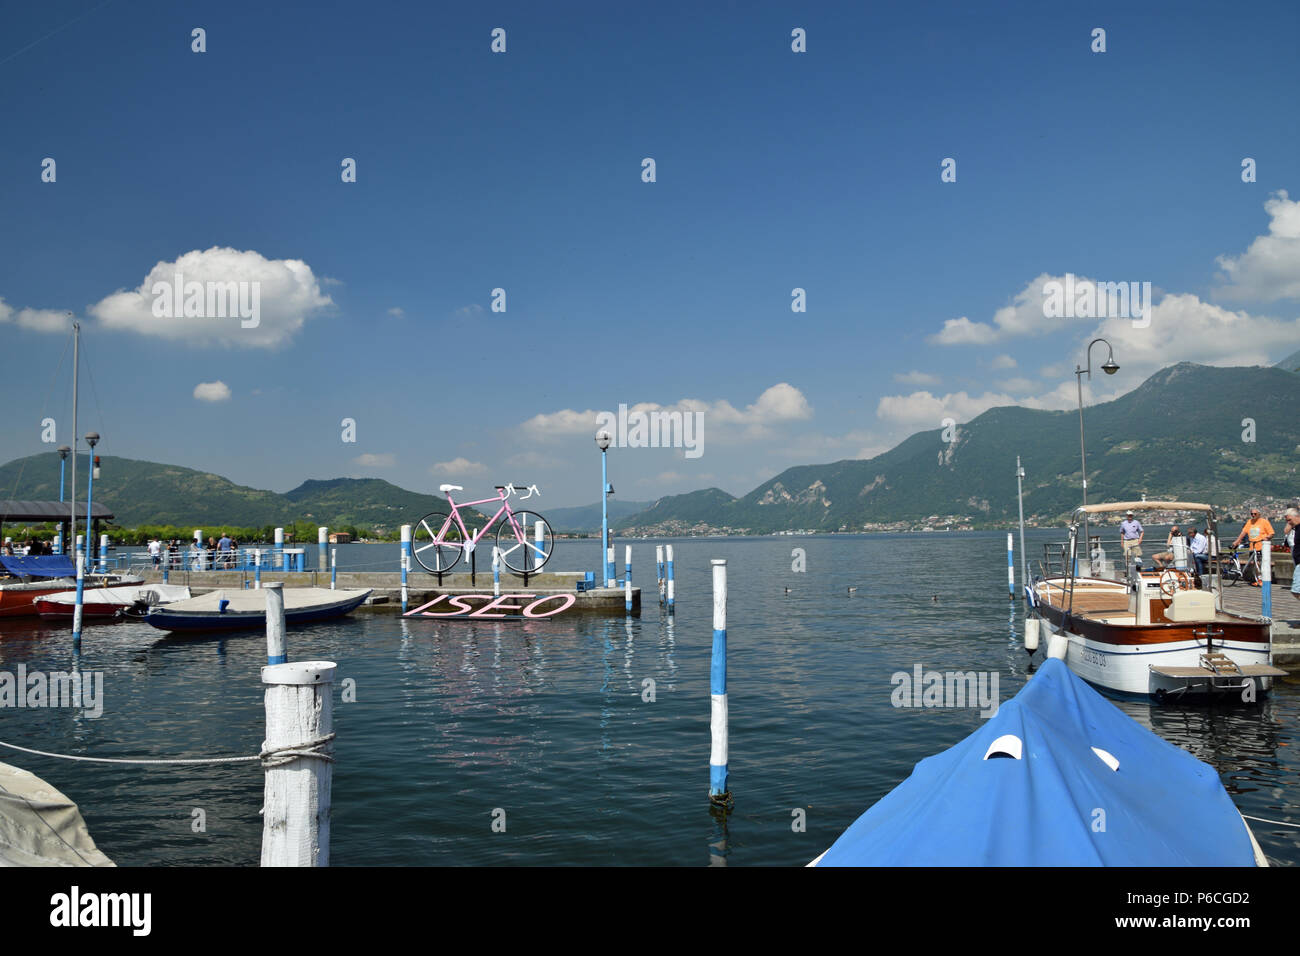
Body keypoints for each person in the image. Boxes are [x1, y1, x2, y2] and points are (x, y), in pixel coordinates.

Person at [1232, 507, 1275, 586]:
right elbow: (1243, 533)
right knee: (1254, 564)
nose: (1253, 515)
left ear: (1259, 514)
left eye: (1255, 514)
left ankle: (1264, 580)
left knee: (1262, 564)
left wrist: (1267, 537)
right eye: (1251, 514)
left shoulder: (1264, 522)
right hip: (1252, 547)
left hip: (1262, 547)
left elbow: (1271, 533)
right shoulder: (1249, 522)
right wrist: (1237, 541)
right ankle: (1258, 579)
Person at [1285, 507, 1299, 606]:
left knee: (1296, 590)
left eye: (1290, 520)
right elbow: (1285, 531)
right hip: (1298, 562)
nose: (1289, 523)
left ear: (1297, 516)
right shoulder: (1296, 528)